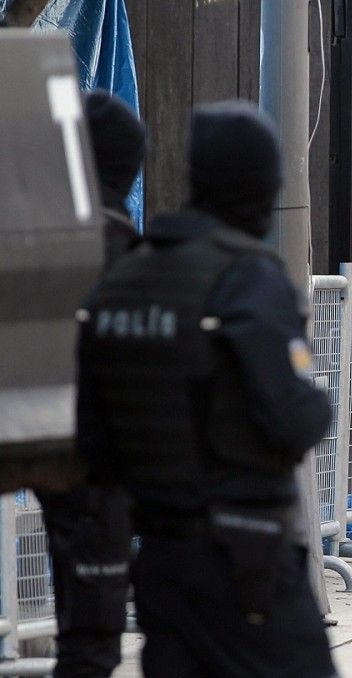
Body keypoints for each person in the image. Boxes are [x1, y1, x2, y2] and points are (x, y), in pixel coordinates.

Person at [76, 100, 337, 677]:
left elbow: (93, 443)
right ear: (260, 185)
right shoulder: (246, 276)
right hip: (249, 568)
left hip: (161, 568)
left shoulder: (124, 280)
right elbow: (293, 417)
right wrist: (318, 402)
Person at [36, 89, 144, 678]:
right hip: (95, 467)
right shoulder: (125, 255)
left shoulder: (34, 241)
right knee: (91, 639)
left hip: (42, 442)